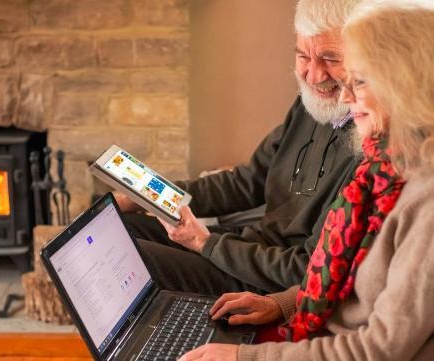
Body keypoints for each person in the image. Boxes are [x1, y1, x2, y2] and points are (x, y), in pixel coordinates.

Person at [181, 1, 434, 359]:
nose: (345, 96)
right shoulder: (385, 168)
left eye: (358, 81)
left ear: (403, 86)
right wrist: (284, 304)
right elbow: (346, 280)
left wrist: (241, 357)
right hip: (310, 323)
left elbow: (376, 350)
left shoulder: (425, 200)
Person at [116, 0, 362, 296]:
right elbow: (246, 182)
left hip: (264, 280)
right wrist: (146, 194)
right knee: (121, 226)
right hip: (245, 248)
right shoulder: (312, 105)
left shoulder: (366, 146)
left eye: (330, 58)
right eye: (303, 56)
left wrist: (204, 243)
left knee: (129, 255)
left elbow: (305, 269)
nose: (313, 75)